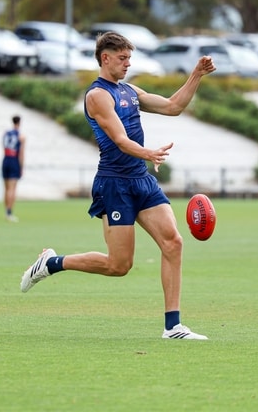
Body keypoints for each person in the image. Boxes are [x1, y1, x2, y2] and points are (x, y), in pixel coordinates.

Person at [20, 31, 216, 340]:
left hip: (141, 180)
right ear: (105, 58)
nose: (128, 64)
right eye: (122, 58)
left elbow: (172, 106)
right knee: (119, 265)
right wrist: (148, 153)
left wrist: (196, 75)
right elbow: (121, 140)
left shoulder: (129, 91)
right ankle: (53, 262)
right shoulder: (97, 96)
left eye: (129, 58)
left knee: (173, 243)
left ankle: (173, 326)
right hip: (114, 184)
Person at [1, 115, 25, 222]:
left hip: (5, 159)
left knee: (6, 188)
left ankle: (6, 211)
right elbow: (21, 153)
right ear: (19, 122)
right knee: (12, 188)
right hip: (14, 159)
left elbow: (4, 147)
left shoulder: (6, 133)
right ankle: (9, 212)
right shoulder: (21, 136)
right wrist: (21, 166)